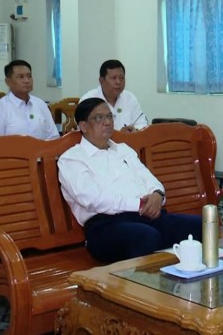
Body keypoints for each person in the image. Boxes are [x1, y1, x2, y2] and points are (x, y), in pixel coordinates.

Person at [58, 98, 201, 263]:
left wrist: (157, 195)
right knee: (146, 237)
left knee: (200, 225)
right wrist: (139, 204)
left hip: (148, 216)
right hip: (106, 226)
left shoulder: (123, 150)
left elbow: (150, 179)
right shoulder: (72, 159)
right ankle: (141, 280)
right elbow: (93, 200)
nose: (107, 122)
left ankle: (193, 274)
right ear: (83, 126)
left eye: (109, 116)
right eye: (99, 118)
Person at [0, 60, 58, 140]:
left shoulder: (40, 104)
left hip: (42, 148)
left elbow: (53, 137)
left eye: (29, 76)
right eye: (21, 77)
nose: (26, 81)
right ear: (8, 81)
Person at [79, 60, 148, 132]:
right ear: (101, 81)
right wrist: (119, 136)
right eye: (113, 78)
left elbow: (142, 125)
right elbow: (87, 131)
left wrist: (135, 131)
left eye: (121, 78)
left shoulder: (130, 98)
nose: (118, 82)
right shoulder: (88, 100)